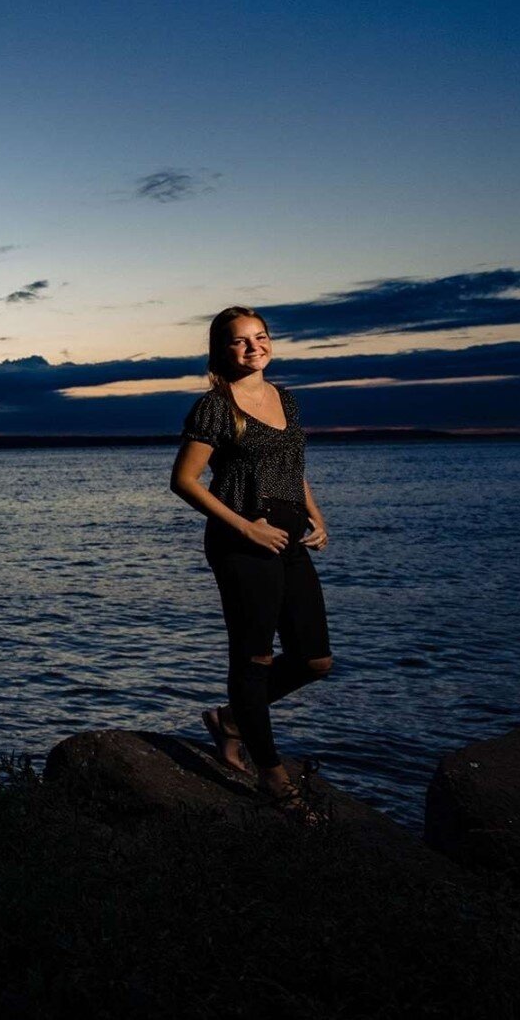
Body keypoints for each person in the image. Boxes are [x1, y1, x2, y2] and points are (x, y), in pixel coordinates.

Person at [169, 306, 333, 823]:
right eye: (240, 341)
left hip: (287, 536)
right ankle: (273, 777)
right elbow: (184, 480)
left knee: (314, 660)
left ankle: (231, 720)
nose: (253, 347)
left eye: (260, 337)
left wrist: (315, 513)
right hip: (241, 541)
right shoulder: (214, 408)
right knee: (255, 657)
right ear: (221, 350)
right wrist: (246, 528)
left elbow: (291, 464)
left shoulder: (286, 398)